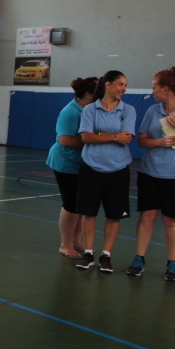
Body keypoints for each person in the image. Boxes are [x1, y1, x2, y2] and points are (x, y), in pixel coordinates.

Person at [126, 64, 175, 281]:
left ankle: (173, 263)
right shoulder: (153, 111)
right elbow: (142, 140)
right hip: (150, 173)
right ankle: (139, 259)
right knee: (147, 217)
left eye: (154, 87)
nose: (152, 91)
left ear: (165, 89)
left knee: (171, 220)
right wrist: (160, 142)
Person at [75, 71, 136, 272]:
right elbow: (86, 137)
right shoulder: (90, 109)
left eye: (125, 85)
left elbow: (126, 138)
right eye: (120, 84)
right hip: (91, 167)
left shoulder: (128, 110)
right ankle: (88, 253)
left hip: (118, 169)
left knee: (114, 215)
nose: (124, 89)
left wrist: (100, 133)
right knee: (88, 212)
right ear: (108, 84)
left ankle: (106, 256)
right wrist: (115, 136)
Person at [46, 77, 97, 258]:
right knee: (71, 204)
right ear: (88, 94)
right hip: (66, 162)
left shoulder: (91, 110)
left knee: (80, 203)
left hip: (82, 163)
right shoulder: (71, 112)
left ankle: (76, 239)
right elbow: (65, 140)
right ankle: (65, 244)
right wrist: (92, 140)